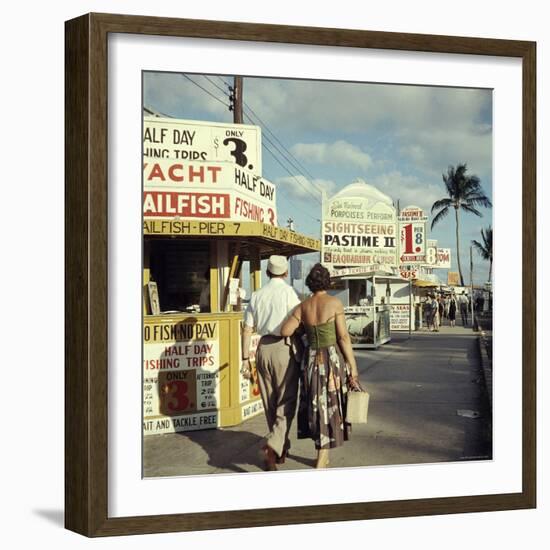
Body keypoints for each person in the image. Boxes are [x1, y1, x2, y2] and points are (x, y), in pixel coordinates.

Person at [280, 263, 360, 469]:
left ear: (309, 283)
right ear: (327, 281)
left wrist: (304, 331)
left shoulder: (303, 306)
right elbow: (343, 337)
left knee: (316, 405)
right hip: (330, 358)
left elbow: (286, 331)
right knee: (330, 405)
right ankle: (322, 458)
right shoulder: (334, 304)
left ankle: (322, 453)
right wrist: (353, 366)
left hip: (311, 358)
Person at [241, 255, 300, 471]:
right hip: (283, 347)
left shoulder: (256, 295)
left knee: (269, 400)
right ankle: (273, 446)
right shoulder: (288, 293)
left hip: (262, 348)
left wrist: (245, 358)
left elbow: (247, 329)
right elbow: (297, 321)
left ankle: (279, 447)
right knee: (287, 399)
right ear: (285, 273)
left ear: (267, 272)